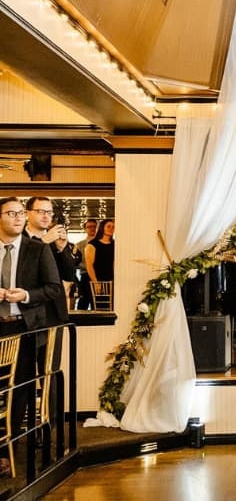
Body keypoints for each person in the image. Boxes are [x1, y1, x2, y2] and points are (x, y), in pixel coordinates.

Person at [0, 196, 62, 478]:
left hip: (23, 328)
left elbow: (53, 289)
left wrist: (25, 295)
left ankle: (6, 451)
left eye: (20, 213)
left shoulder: (37, 250)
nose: (17, 218)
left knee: (17, 390)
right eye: (10, 213)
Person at [84, 219, 115, 308]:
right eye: (108, 226)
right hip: (97, 279)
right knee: (99, 306)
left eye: (113, 227)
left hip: (111, 280)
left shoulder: (115, 244)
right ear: (102, 228)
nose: (111, 229)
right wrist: (95, 283)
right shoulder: (92, 244)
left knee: (113, 307)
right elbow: (89, 265)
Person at [75, 219, 98, 310]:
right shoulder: (79, 245)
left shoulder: (101, 243)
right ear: (85, 229)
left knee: (96, 302)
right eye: (89, 227)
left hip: (98, 276)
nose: (92, 229)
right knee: (83, 301)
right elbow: (75, 263)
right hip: (85, 276)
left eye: (94, 227)